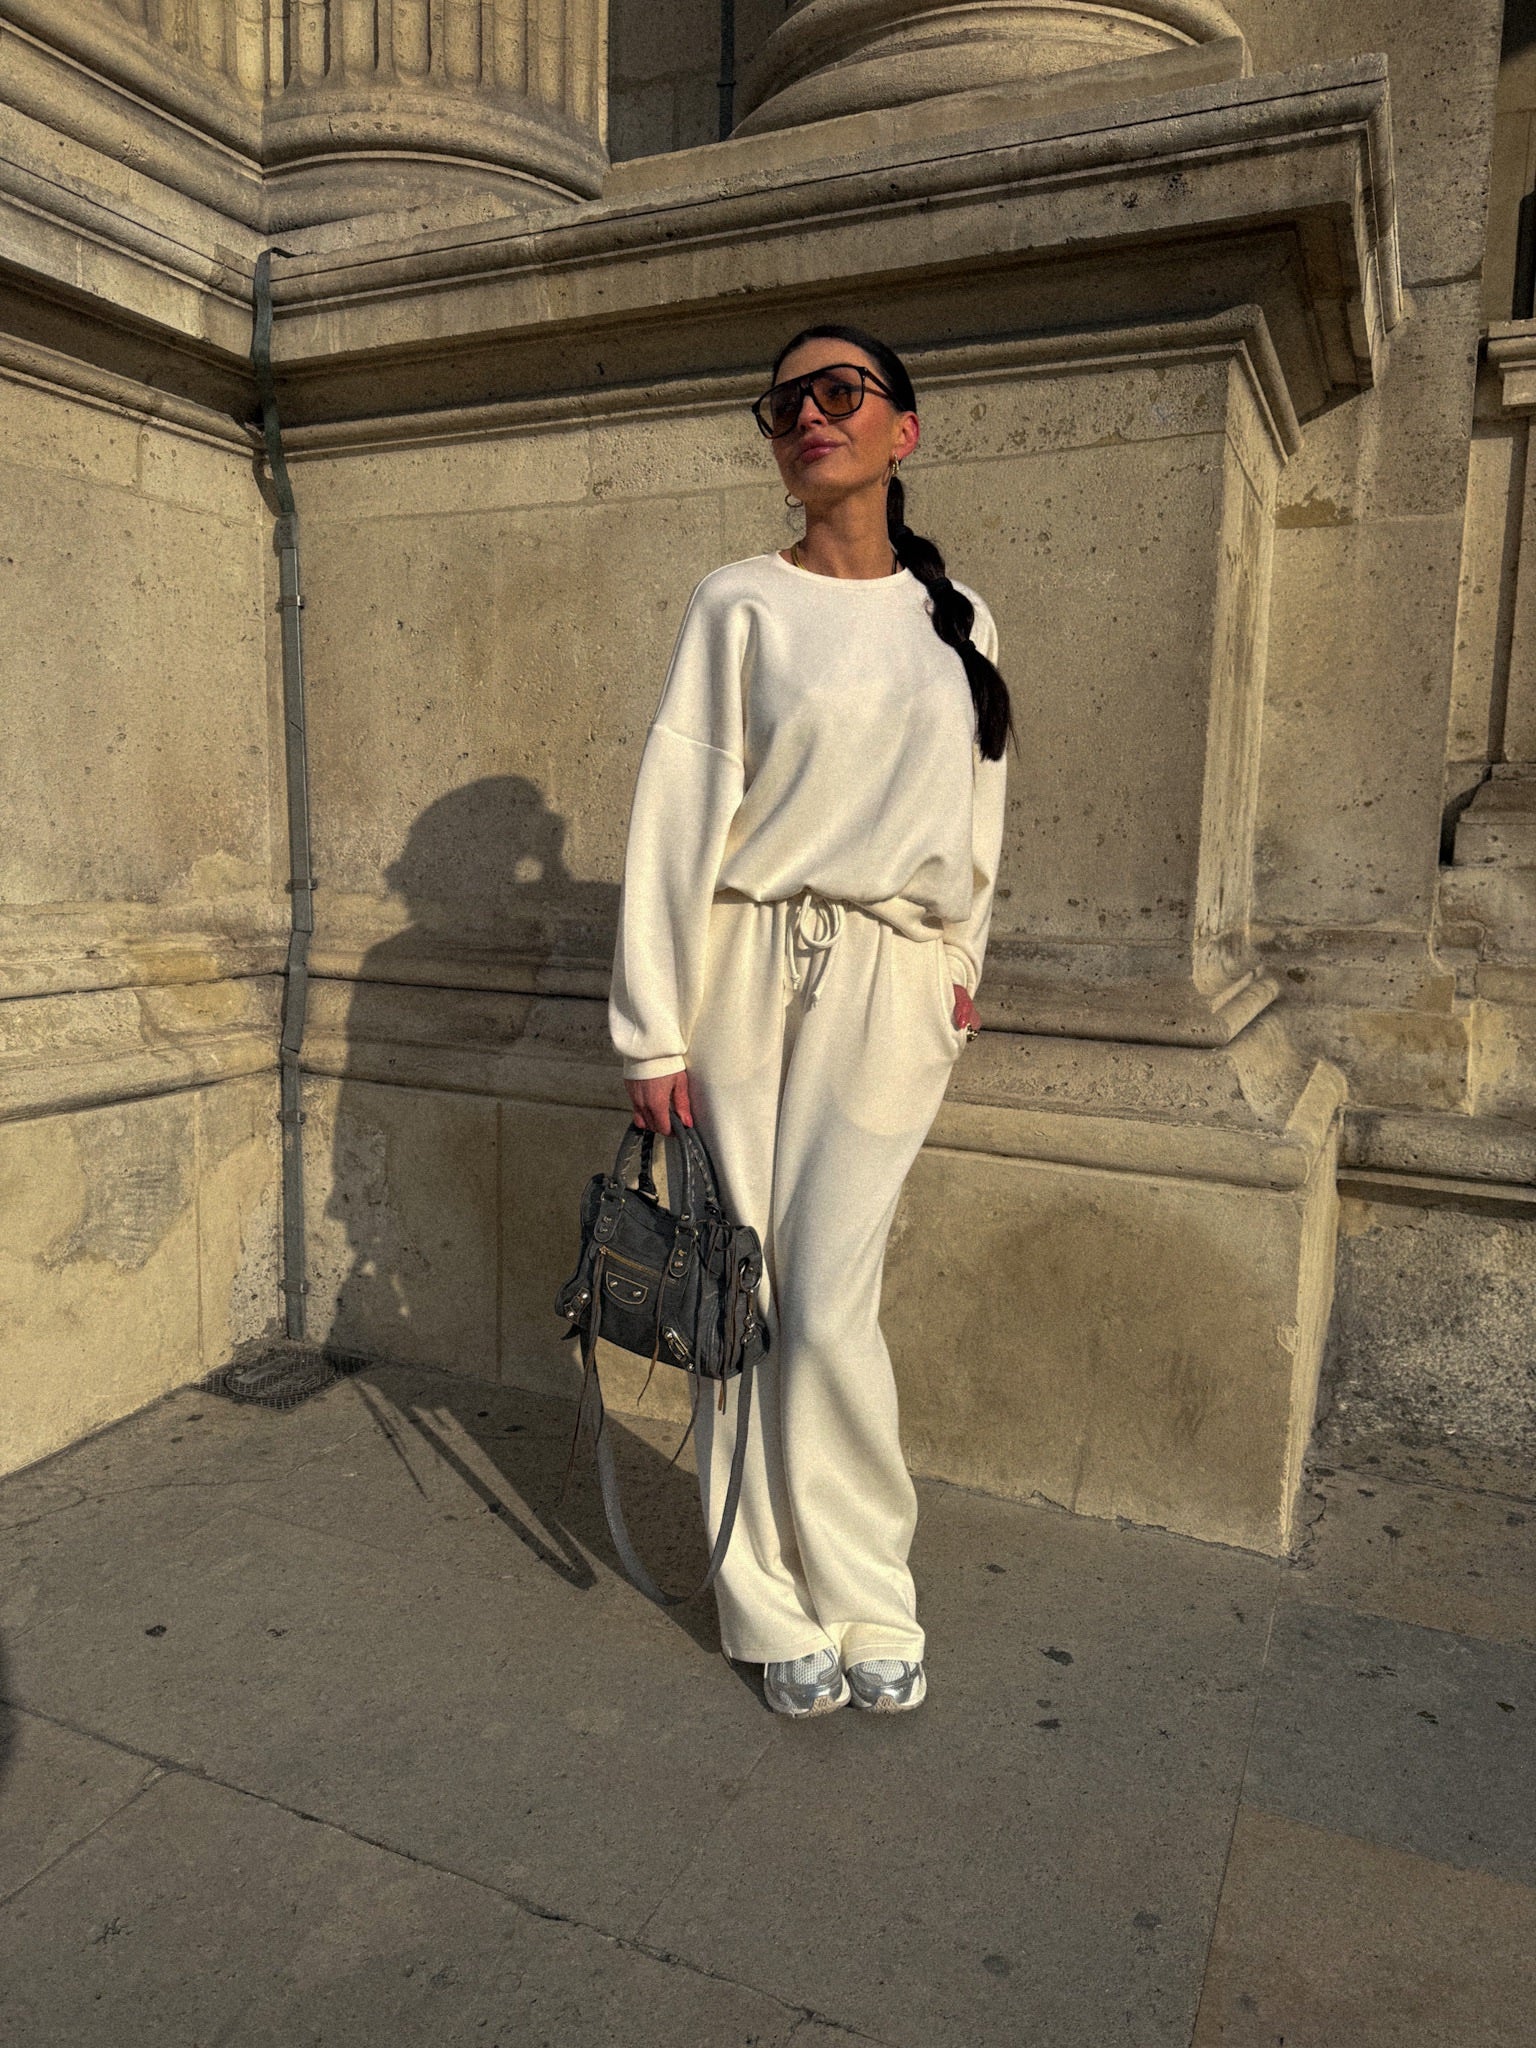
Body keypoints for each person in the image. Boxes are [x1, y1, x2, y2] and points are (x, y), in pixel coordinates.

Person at [609, 323, 1013, 1717]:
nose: (809, 417)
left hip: (891, 980)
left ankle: (867, 1590)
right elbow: (679, 811)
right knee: (742, 1287)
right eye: (783, 403)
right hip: (742, 967)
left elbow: (981, 808)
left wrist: (958, 962)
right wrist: (651, 1030)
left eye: (841, 392)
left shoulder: (960, 619)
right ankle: (766, 1600)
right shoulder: (739, 603)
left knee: (832, 1297)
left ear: (906, 428)